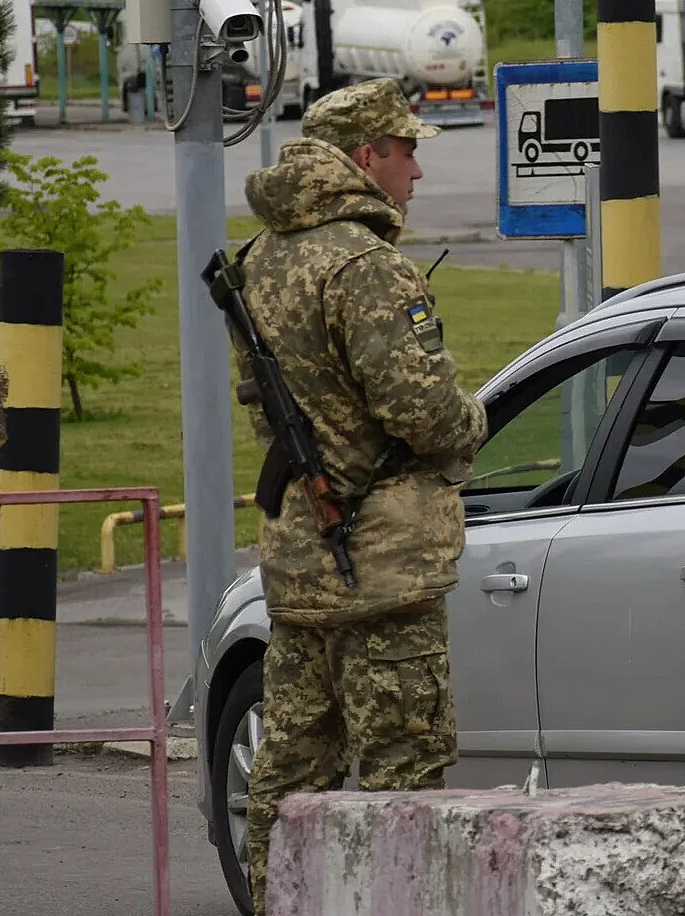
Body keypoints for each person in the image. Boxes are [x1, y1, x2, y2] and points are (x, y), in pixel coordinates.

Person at [234, 76, 488, 915]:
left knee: (290, 771)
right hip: (383, 569)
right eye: (406, 150)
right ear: (364, 156)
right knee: (402, 778)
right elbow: (423, 411)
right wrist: (473, 418)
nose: (416, 169)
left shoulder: (261, 258)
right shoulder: (367, 264)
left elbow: (260, 401)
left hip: (304, 563)